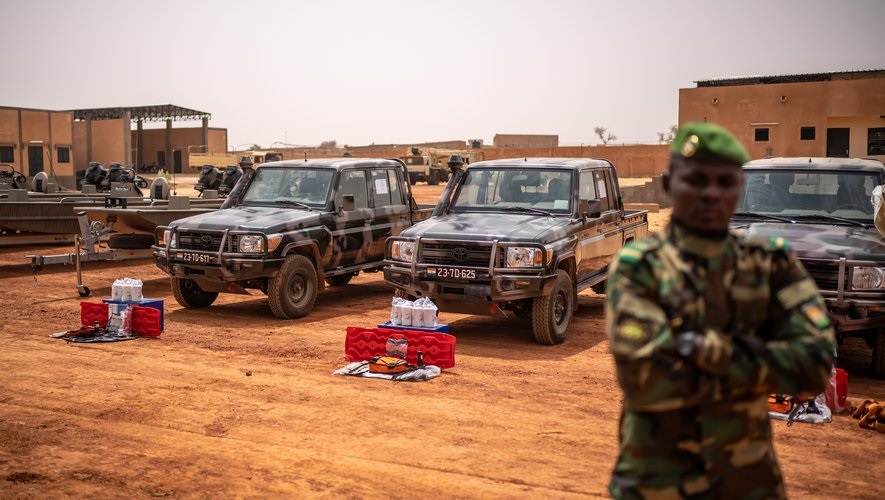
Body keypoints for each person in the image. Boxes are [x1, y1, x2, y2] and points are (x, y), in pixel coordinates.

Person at [605, 122, 835, 499]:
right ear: (668, 185)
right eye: (697, 180)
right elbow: (644, 378)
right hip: (655, 483)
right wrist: (763, 359)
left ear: (739, 189)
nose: (711, 193)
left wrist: (697, 348)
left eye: (725, 182)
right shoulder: (640, 266)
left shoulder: (770, 263)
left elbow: (814, 369)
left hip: (747, 484)